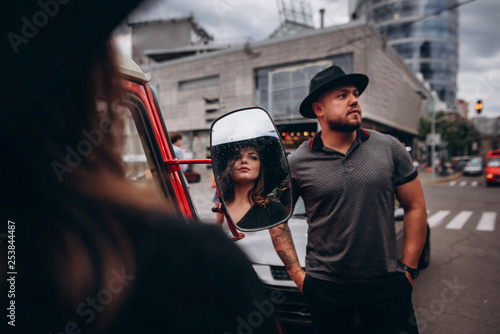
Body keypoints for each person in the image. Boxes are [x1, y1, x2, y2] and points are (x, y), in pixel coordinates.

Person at [0, 2, 281, 333]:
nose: (244, 161)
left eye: (252, 157)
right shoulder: (187, 261)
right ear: (91, 89)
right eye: (239, 157)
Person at [268, 65, 428, 333]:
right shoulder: (296, 163)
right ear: (318, 109)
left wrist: (409, 271)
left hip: (386, 285)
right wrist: (298, 275)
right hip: (327, 291)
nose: (355, 100)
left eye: (355, 94)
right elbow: (276, 218)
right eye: (342, 95)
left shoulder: (389, 147)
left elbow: (415, 207)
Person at [219, 144, 288, 230]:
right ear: (229, 167)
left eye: (253, 157)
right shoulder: (220, 206)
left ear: (261, 167)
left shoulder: (273, 210)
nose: (244, 160)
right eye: (237, 157)